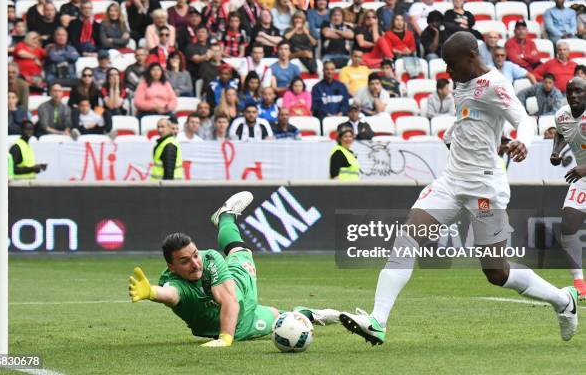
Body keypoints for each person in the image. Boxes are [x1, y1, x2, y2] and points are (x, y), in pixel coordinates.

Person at [338, 31, 579, 346]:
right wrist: (456, 136)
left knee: (496, 272)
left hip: (484, 191)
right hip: (451, 182)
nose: (447, 72)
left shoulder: (495, 84)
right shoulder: (462, 85)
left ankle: (563, 300)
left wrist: (522, 141)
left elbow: (523, 119)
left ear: (470, 57)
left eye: (451, 65)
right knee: (407, 237)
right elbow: (470, 122)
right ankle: (377, 321)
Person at [128, 191, 339, 346]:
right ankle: (324, 315)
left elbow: (228, 299)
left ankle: (225, 216)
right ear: (171, 267)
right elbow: (171, 294)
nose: (194, 263)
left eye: (194, 255)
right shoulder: (175, 283)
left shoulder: (209, 258)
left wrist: (225, 338)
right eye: (185, 261)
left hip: (238, 287)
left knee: (240, 250)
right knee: (281, 320)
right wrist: (151, 292)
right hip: (244, 323)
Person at [550, 77, 586, 299]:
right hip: (583, 180)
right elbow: (561, 133)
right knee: (568, 226)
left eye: (579, 92)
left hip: (583, 172)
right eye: (570, 92)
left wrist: (584, 168)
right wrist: (556, 151)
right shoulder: (562, 115)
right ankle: (580, 284)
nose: (574, 96)